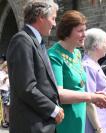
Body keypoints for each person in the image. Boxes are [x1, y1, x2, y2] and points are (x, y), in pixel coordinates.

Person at [6, 1, 64, 133]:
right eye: (53, 18)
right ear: (40, 17)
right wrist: (53, 109)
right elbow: (26, 87)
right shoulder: (22, 40)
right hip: (31, 125)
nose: (54, 24)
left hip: (41, 123)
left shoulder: (35, 41)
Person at [48, 11, 106, 133]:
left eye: (84, 30)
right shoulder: (54, 56)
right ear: (67, 32)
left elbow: (80, 86)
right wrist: (92, 97)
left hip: (80, 115)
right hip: (64, 119)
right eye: (80, 31)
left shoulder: (77, 53)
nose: (84, 35)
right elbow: (59, 94)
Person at [82, 28, 106, 133]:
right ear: (96, 45)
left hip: (105, 124)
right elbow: (89, 101)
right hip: (96, 127)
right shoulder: (88, 66)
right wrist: (98, 129)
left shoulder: (94, 64)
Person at [0, 61, 10, 128]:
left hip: (9, 91)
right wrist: (5, 77)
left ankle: (8, 120)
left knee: (8, 107)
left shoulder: (8, 73)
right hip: (4, 91)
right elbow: (1, 82)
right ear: (4, 67)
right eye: (7, 67)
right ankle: (5, 121)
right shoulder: (1, 73)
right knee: (5, 106)